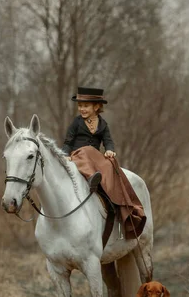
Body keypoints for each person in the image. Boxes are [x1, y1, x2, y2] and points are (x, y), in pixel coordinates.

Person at [61, 86, 146, 240]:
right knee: (86, 151)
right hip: (78, 155)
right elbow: (68, 141)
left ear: (97, 107)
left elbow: (108, 141)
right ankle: (91, 178)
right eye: (80, 106)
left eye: (85, 106)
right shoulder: (77, 122)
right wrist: (65, 155)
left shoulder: (103, 124)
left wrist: (109, 150)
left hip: (94, 156)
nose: (82, 109)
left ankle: (116, 199)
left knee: (109, 163)